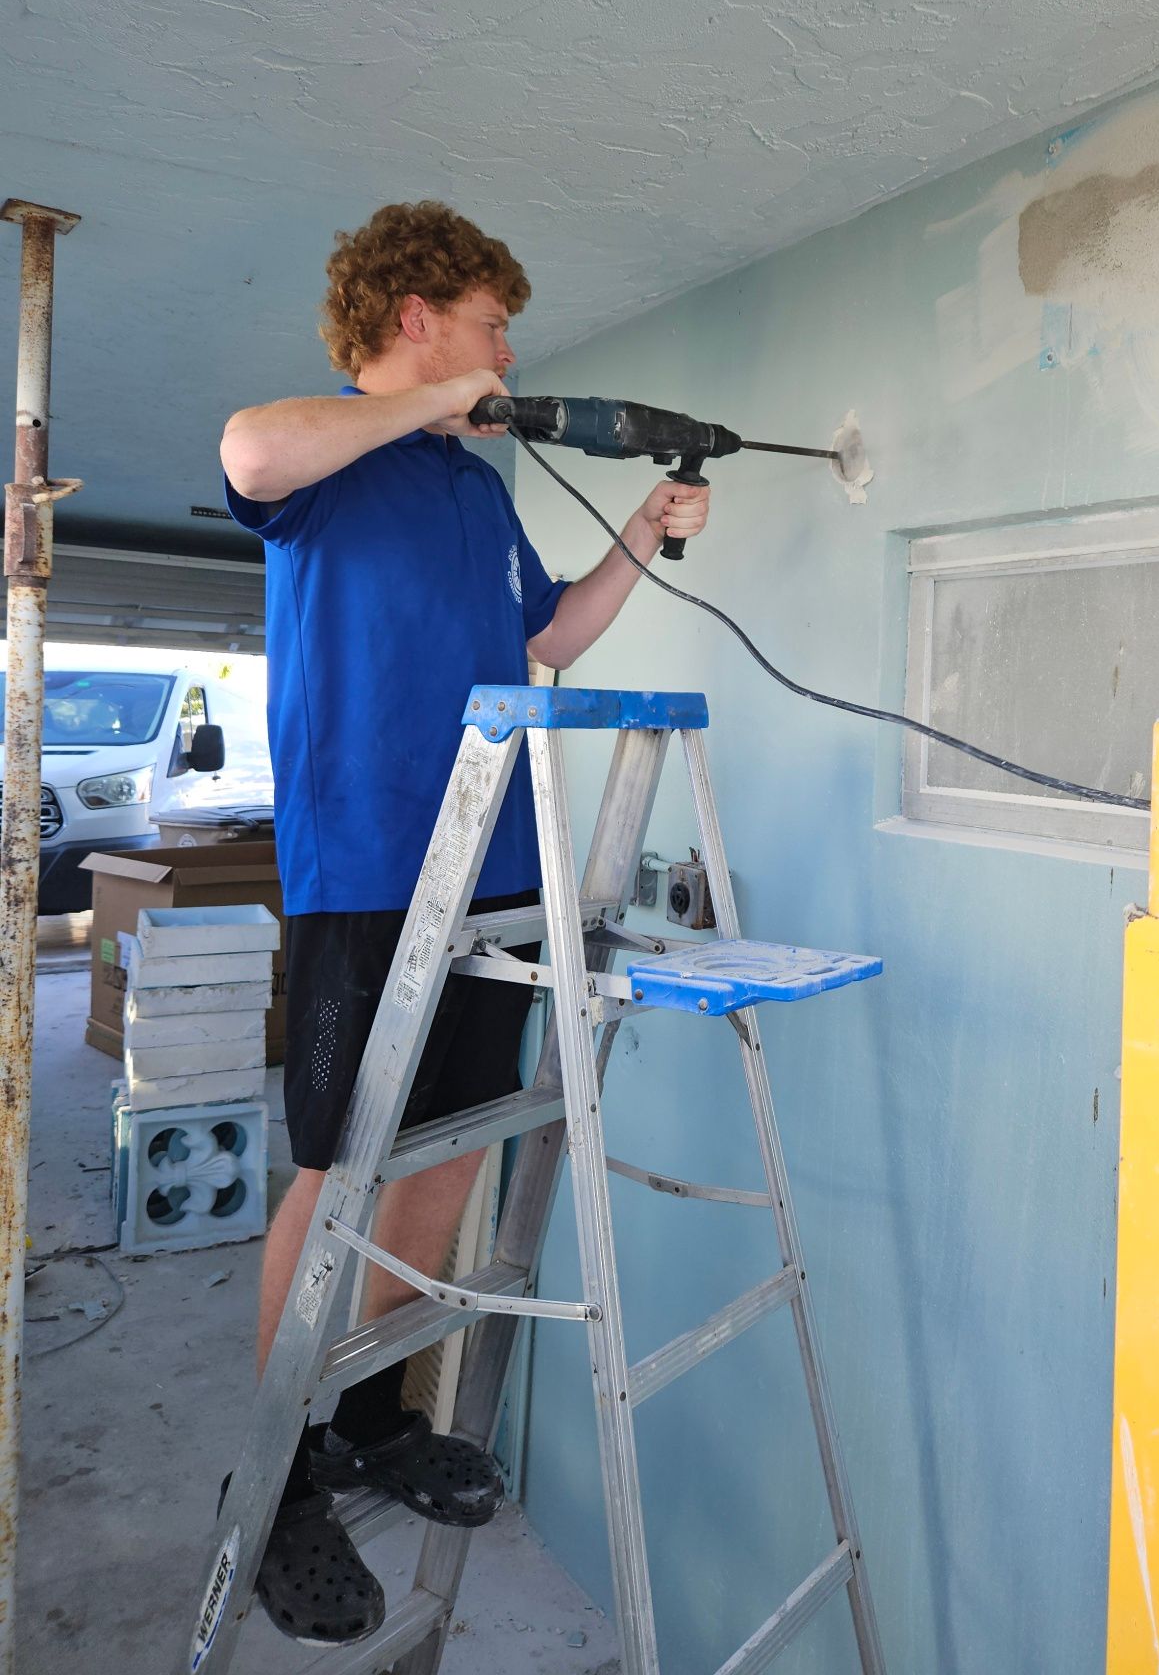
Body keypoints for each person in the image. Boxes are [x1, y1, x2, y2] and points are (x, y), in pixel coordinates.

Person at [220, 200, 709, 1644]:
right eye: (495, 321)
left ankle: (370, 1412)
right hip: (367, 876)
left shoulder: (477, 498)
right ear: (419, 315)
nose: (511, 351)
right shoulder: (324, 467)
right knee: (334, 1177)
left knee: (443, 1164)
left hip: (494, 868)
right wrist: (446, 401)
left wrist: (637, 534)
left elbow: (547, 638)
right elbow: (248, 448)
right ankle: (276, 1481)